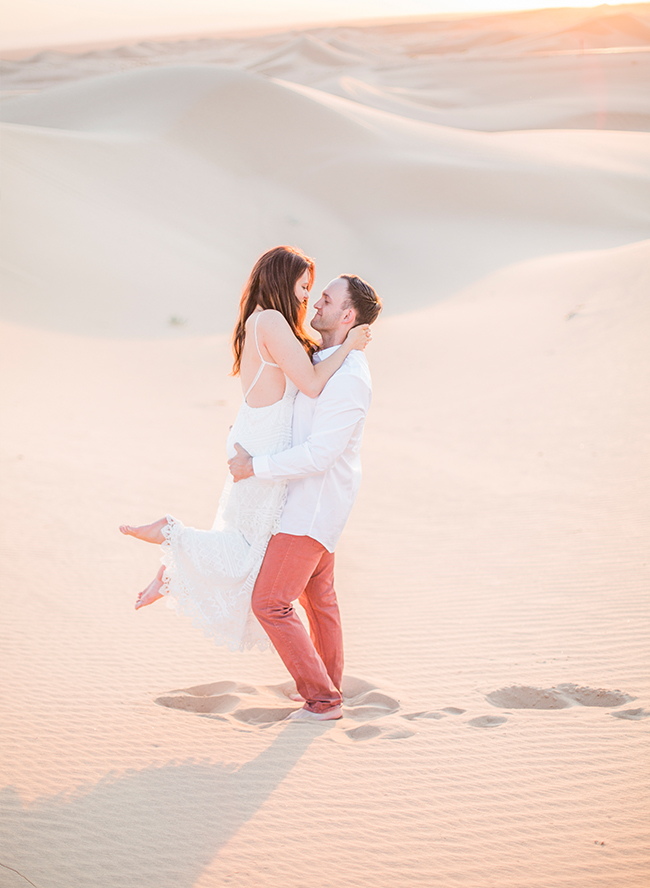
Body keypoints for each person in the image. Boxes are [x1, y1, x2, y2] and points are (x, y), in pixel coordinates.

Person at [120, 246, 371, 652]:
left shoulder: (263, 321)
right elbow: (309, 383)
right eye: (304, 287)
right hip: (264, 447)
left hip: (260, 438)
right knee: (248, 554)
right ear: (281, 280)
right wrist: (349, 347)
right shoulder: (270, 320)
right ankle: (172, 535)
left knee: (249, 550)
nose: (307, 297)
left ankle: (172, 567)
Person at [228, 273, 382, 720]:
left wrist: (254, 468)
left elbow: (321, 454)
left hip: (310, 508)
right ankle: (327, 685)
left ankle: (323, 699)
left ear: (348, 315)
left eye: (327, 300)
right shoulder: (325, 359)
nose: (315, 304)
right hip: (300, 502)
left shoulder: (349, 376)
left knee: (270, 603)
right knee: (320, 598)